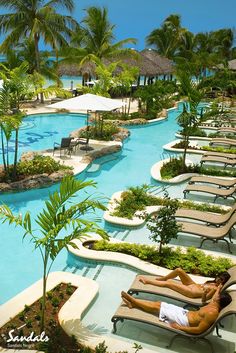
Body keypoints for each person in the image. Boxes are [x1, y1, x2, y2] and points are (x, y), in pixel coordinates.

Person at [121, 285, 232, 334]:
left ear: (219, 300)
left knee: (157, 308)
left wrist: (180, 327)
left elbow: (199, 330)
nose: (216, 295)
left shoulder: (212, 313)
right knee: (159, 303)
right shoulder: (215, 304)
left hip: (184, 321)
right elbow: (217, 294)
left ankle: (134, 301)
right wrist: (219, 287)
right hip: (185, 313)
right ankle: (134, 305)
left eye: (218, 296)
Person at [139, 268, 230, 302]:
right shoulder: (212, 282)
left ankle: (148, 281)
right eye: (219, 276)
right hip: (192, 285)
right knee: (179, 270)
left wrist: (204, 293)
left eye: (221, 279)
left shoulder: (214, 288)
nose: (218, 279)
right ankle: (163, 278)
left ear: (223, 282)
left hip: (191, 292)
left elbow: (204, 300)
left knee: (169, 284)